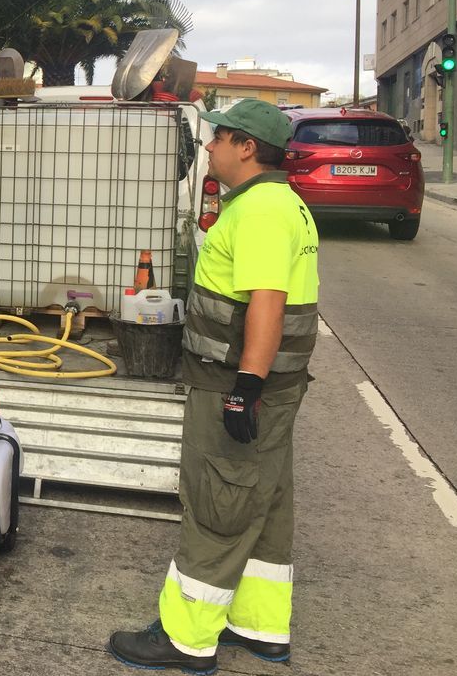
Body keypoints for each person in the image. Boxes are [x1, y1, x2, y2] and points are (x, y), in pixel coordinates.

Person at [109, 99, 320, 674]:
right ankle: (259, 628)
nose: (209, 146)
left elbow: (267, 306)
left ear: (247, 147)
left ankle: (186, 639)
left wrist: (244, 387)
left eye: (219, 136)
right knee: (265, 503)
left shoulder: (260, 212)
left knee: (217, 503)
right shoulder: (277, 204)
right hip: (271, 388)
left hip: (239, 382)